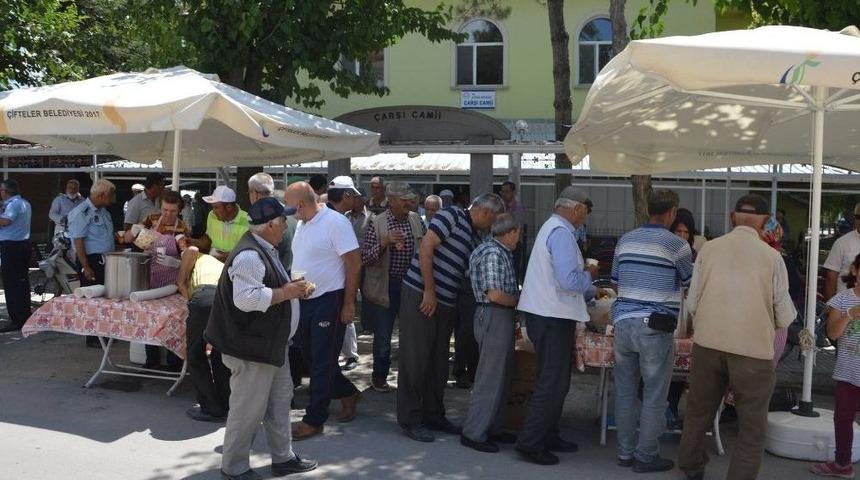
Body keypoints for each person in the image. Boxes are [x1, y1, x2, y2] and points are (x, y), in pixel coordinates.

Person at [679, 194, 796, 480]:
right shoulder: (772, 258)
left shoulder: (709, 249)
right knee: (752, 427)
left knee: (697, 413)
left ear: (733, 217)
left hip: (708, 344)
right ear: (766, 220)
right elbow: (784, 315)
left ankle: (692, 467)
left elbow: (692, 302)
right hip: (752, 351)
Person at [204, 197, 318, 480]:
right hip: (251, 348)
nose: (286, 226)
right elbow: (246, 299)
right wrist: (287, 293)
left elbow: (267, 287)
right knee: (248, 411)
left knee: (280, 402)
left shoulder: (264, 247)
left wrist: (294, 289)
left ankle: (283, 457)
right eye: (283, 221)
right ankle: (234, 467)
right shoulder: (249, 255)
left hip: (270, 344)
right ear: (270, 225)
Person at [397, 193, 504, 443]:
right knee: (416, 359)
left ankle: (434, 414)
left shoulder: (477, 235)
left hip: (445, 302)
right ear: (485, 212)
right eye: (493, 220)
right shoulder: (452, 216)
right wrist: (429, 290)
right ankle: (411, 419)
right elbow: (426, 247)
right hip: (422, 295)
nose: (492, 226)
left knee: (438, 362)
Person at [515, 186, 601, 466]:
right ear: (576, 209)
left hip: (548, 314)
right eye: (585, 213)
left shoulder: (552, 228)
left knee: (555, 381)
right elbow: (569, 281)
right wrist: (589, 274)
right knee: (551, 383)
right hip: (551, 316)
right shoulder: (562, 233)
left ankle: (548, 434)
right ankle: (531, 443)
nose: (584, 219)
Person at [610, 190, 693, 473]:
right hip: (655, 326)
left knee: (624, 392)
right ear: (671, 212)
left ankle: (624, 453)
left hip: (622, 323)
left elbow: (615, 281)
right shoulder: (677, 245)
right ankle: (645, 456)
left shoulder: (626, 240)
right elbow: (689, 280)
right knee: (655, 394)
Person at [285, 182, 362, 440]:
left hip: (330, 299)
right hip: (304, 300)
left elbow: (354, 263)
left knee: (320, 362)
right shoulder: (302, 223)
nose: (290, 212)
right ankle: (348, 391)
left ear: (302, 204)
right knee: (314, 359)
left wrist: (349, 303)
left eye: (291, 206)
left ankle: (314, 419)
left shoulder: (336, 223)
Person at [460, 213, 521, 453]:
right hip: (494, 313)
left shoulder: (497, 251)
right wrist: (519, 300)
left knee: (500, 376)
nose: (519, 238)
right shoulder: (494, 253)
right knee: (490, 377)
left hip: (497, 314)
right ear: (511, 232)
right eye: (518, 233)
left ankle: (491, 427)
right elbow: (494, 294)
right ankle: (474, 432)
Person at [361, 181, 425, 393]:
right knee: (383, 337)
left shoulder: (415, 219)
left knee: (412, 335)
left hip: (411, 286)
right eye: (405, 199)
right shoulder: (376, 222)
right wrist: (384, 242)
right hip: (385, 286)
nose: (410, 202)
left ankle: (410, 378)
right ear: (393, 200)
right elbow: (366, 259)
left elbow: (424, 250)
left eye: (411, 198)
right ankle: (379, 377)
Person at [810, 253, 860, 478]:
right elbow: (832, 333)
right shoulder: (842, 298)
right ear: (855, 270)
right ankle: (842, 463)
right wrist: (850, 314)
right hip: (847, 372)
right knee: (843, 418)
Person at [175, 233, 231, 422]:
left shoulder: (194, 254)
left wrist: (184, 288)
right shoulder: (216, 262)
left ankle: (211, 408)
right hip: (225, 299)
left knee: (195, 354)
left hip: (206, 296)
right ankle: (226, 404)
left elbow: (181, 283)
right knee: (218, 353)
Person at [67, 179, 116, 346]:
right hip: (91, 260)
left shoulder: (103, 212)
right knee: (92, 299)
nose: (113, 199)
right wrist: (86, 266)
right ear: (102, 195)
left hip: (106, 259)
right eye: (111, 196)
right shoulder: (82, 212)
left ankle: (104, 333)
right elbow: (78, 240)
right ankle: (93, 337)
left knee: (105, 298)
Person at [324, 176, 361, 371]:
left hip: (324, 292)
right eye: (353, 195)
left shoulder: (320, 217)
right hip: (330, 294)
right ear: (346, 195)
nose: (355, 199)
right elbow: (354, 264)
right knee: (326, 356)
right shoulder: (338, 221)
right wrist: (349, 302)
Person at [0, 180, 32, 333]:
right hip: (21, 244)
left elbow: (6, 221)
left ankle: (16, 319)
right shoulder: (24, 202)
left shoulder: (13, 204)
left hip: (12, 245)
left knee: (12, 283)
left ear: (5, 192)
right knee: (21, 281)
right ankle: (24, 315)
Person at [824, 202, 860, 301]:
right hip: (845, 307)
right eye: (858, 217)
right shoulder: (842, 243)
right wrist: (831, 306)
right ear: (854, 218)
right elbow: (831, 277)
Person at [205, 185, 250, 262]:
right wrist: (195, 242)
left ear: (229, 207)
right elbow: (208, 237)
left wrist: (228, 257)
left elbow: (250, 252)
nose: (213, 211)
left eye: (216, 207)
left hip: (236, 268)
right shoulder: (211, 215)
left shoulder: (248, 221)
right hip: (213, 265)